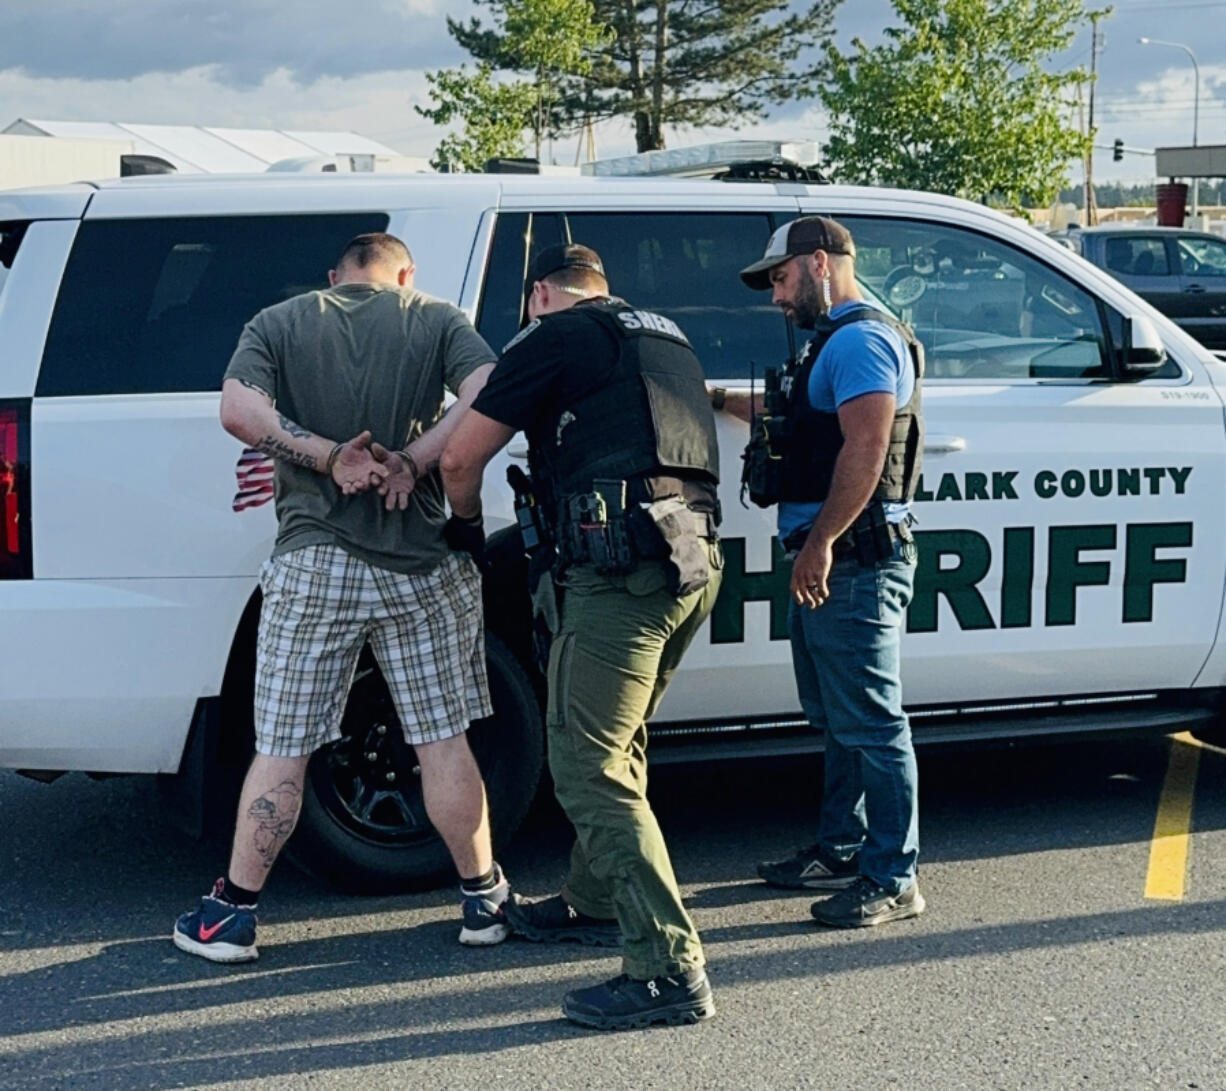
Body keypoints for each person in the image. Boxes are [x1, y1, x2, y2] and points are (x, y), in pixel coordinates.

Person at [173, 232, 510, 962]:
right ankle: (484, 900)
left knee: (285, 745)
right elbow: (490, 388)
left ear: (335, 276)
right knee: (441, 739)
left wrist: (329, 457)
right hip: (419, 561)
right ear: (404, 272)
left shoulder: (280, 321)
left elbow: (238, 410)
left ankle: (231, 914)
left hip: (314, 562)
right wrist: (416, 460)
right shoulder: (436, 317)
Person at [440, 244, 723, 1030]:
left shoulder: (554, 335)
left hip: (620, 574)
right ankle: (595, 898)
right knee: (618, 740)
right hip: (690, 562)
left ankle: (668, 966)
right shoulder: (662, 335)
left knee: (585, 759)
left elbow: (463, 453)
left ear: (540, 295)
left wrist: (463, 529)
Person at [731, 215, 926, 928]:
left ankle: (894, 876)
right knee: (839, 716)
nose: (775, 297)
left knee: (873, 721)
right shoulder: (834, 342)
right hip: (831, 555)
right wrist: (719, 400)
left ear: (818, 264)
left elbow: (867, 448)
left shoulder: (864, 340)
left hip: (852, 558)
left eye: (780, 279)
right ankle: (843, 845)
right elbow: (804, 418)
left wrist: (822, 543)